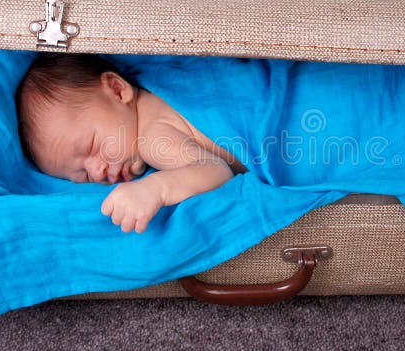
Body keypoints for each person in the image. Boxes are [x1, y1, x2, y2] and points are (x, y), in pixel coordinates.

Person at [16, 53, 247, 234]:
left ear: (117, 90)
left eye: (92, 147)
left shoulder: (151, 137)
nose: (97, 172)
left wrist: (155, 189)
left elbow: (215, 171)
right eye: (83, 175)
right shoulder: (153, 89)